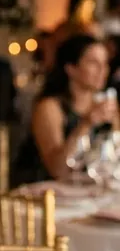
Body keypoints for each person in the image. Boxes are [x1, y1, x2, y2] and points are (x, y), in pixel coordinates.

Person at [19, 34, 119, 181]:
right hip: (45, 189)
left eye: (105, 63)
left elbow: (115, 155)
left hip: (87, 187)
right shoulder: (49, 107)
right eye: (93, 63)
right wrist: (86, 124)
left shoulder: (105, 104)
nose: (102, 70)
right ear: (71, 68)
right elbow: (57, 169)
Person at [42, 0, 99, 70]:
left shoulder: (93, 28)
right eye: (87, 7)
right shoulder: (63, 29)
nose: (90, 11)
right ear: (77, 8)